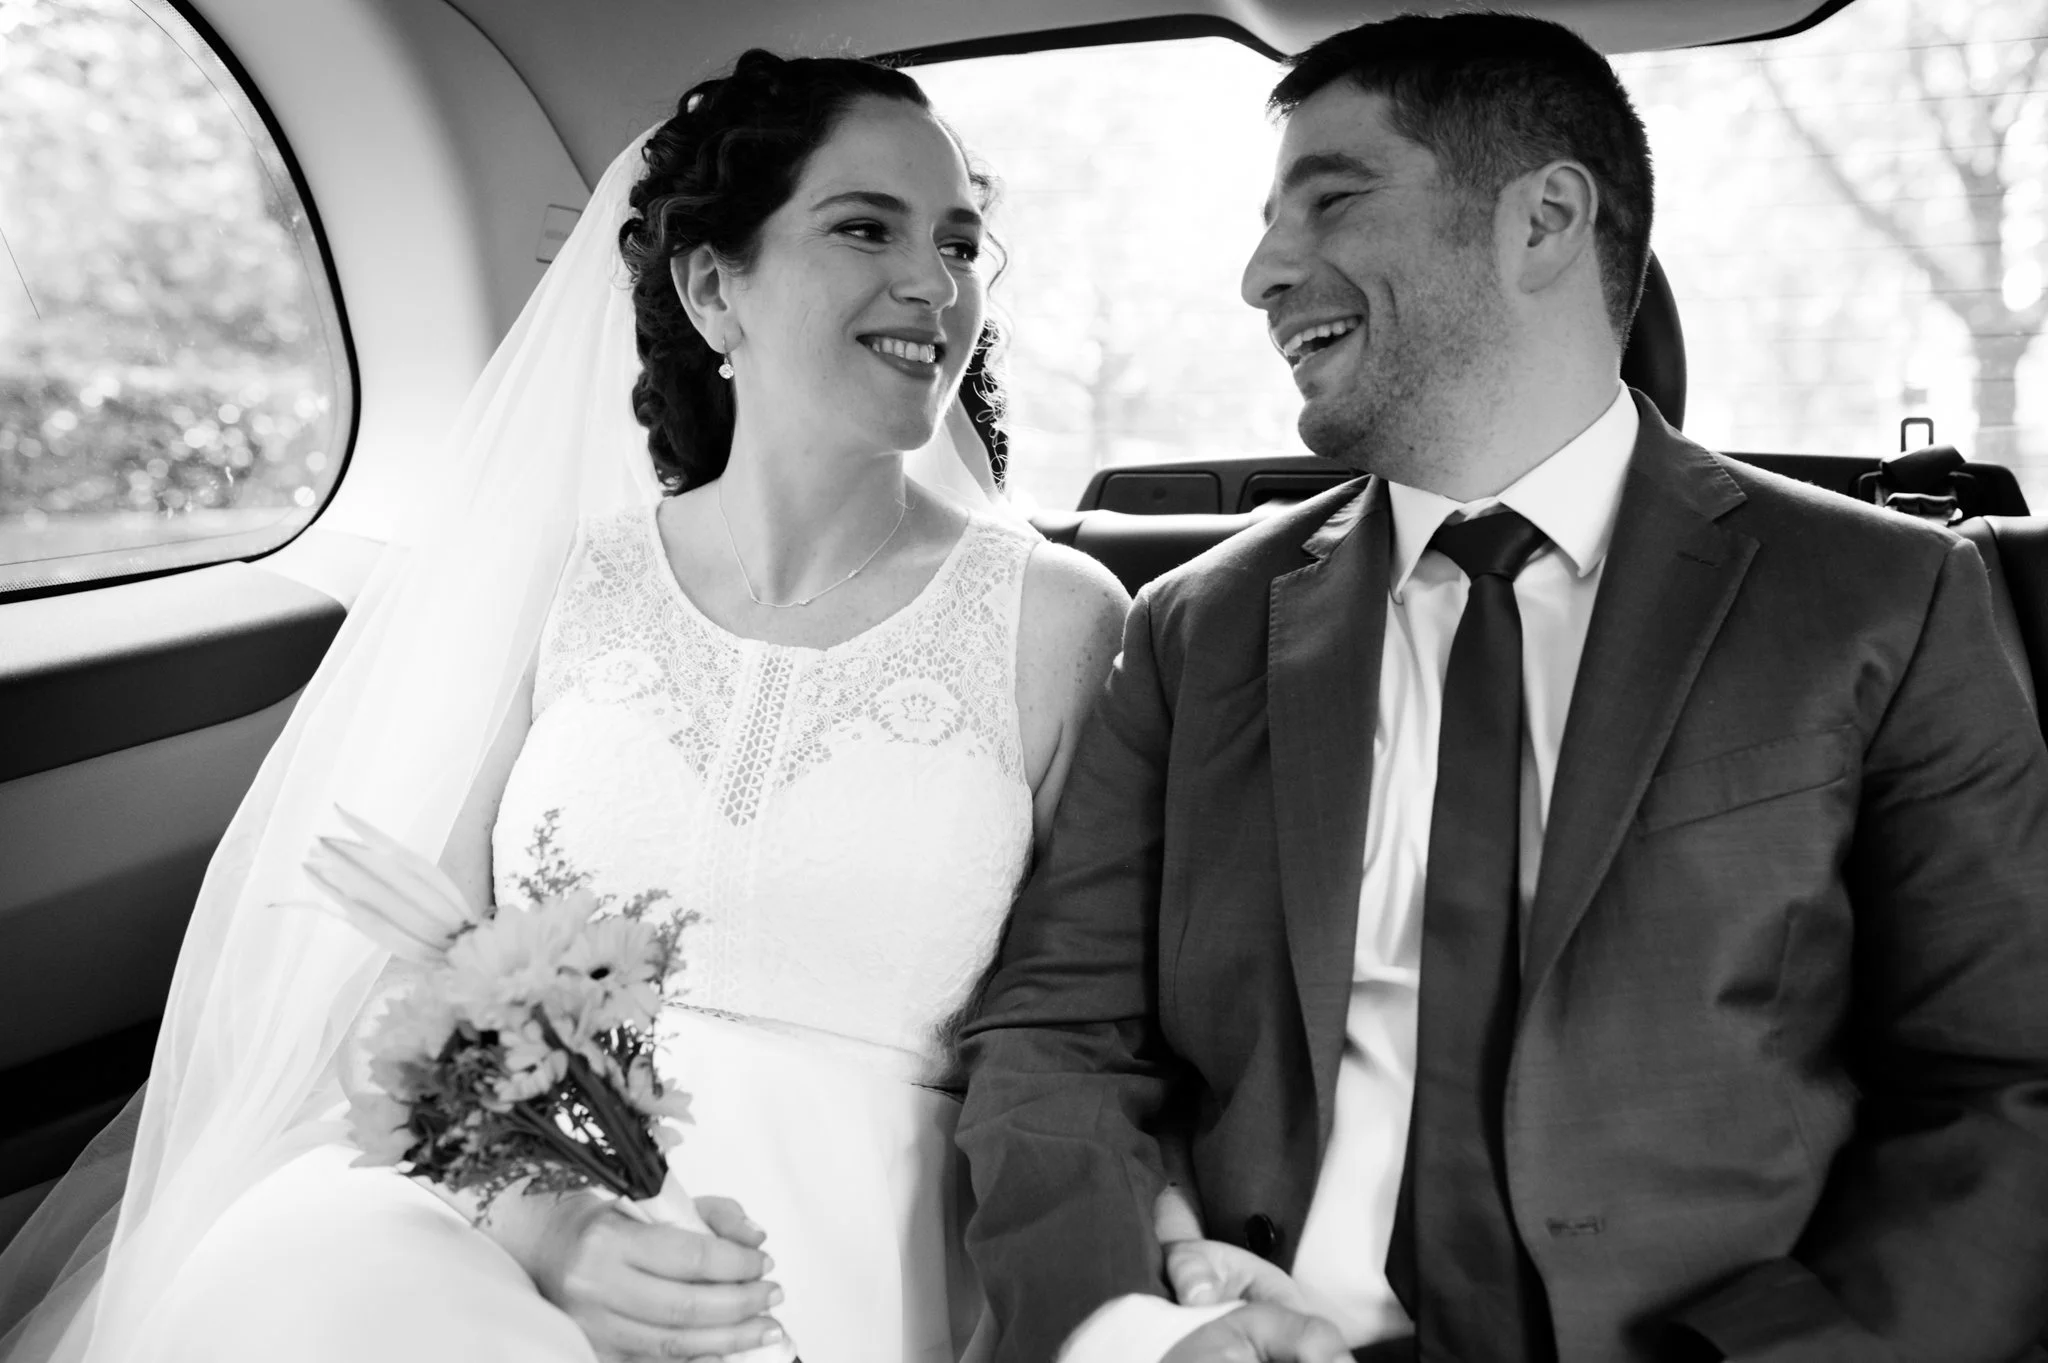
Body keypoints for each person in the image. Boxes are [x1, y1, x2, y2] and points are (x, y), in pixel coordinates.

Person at [0, 51, 1129, 1363]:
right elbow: (409, 983)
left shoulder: (1057, 617)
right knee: (309, 1289)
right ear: (715, 288)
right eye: (866, 226)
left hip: (840, 1261)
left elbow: (1090, 1036)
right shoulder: (571, 582)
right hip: (497, 1193)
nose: (935, 282)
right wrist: (551, 1229)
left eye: (960, 242)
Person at [956, 12, 2048, 1363]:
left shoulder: (1886, 601)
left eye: (1333, 198)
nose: (1261, 272)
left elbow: (2003, 1083)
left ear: (1543, 222)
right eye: (1267, 218)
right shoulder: (1196, 633)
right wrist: (1137, 1327)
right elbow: (1058, 1042)